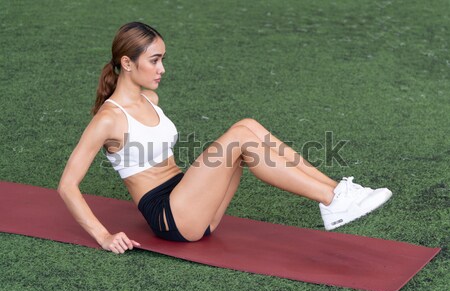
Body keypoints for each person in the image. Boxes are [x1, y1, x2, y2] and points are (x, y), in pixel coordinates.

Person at [58, 22, 392, 254]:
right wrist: (103, 236)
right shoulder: (109, 118)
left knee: (247, 125)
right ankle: (332, 201)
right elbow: (67, 185)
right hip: (170, 217)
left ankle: (336, 193)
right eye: (155, 60)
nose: (162, 69)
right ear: (127, 63)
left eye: (163, 59)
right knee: (240, 138)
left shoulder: (150, 100)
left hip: (193, 204)